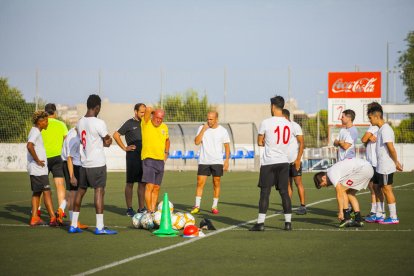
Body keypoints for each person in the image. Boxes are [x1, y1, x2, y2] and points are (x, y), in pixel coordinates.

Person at [68, 94, 117, 235]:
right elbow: (107, 141)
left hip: (84, 164)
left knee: (80, 192)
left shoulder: (80, 122)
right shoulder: (99, 123)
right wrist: (106, 142)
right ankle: (100, 227)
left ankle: (73, 224)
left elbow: (85, 140)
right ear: (97, 107)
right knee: (99, 192)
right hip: (97, 163)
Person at [250, 96, 293, 231]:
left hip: (269, 162)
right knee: (285, 193)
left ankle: (260, 223)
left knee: (265, 193)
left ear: (273, 106)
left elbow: (259, 142)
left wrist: (267, 141)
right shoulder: (289, 124)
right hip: (284, 161)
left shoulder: (266, 122)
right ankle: (288, 223)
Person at [365, 102, 403, 224]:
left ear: (376, 116)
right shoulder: (380, 129)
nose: (370, 120)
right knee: (376, 187)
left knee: (387, 190)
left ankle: (393, 216)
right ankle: (379, 214)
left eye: (370, 118)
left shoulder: (386, 129)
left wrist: (396, 162)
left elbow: (391, 148)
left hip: (386, 166)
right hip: (379, 165)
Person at [313, 158, 373, 228]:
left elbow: (340, 194)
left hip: (363, 169)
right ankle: (358, 220)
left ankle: (347, 218)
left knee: (342, 190)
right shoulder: (332, 171)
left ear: (323, 178)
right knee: (350, 194)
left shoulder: (331, 174)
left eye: (324, 184)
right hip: (368, 169)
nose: (326, 186)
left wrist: (341, 212)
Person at [190, 111, 230, 215]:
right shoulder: (202, 128)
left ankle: (214, 206)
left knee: (216, 183)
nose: (209, 121)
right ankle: (197, 206)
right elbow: (197, 142)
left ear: (216, 119)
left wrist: (226, 161)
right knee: (200, 183)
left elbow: (227, 147)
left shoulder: (223, 131)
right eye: (207, 119)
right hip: (204, 160)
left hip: (217, 161)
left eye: (211, 119)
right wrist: (203, 129)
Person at [113, 103, 147, 217]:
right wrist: (124, 148)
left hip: (144, 155)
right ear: (135, 111)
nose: (143, 114)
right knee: (130, 183)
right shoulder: (129, 123)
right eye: (141, 112)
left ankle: (142, 208)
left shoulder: (146, 122)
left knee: (142, 183)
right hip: (132, 156)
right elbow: (116, 135)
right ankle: (129, 208)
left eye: (144, 112)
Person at [27, 110, 58, 227]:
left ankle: (34, 217)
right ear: (41, 122)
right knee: (47, 192)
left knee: (36, 193)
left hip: (36, 169)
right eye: (46, 121)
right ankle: (53, 218)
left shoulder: (35, 131)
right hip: (38, 169)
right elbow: (29, 146)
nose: (47, 123)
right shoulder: (35, 132)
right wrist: (37, 160)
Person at [40, 103, 68, 224]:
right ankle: (60, 211)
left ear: (45, 113)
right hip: (57, 158)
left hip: (43, 159)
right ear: (55, 112)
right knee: (60, 185)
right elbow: (67, 140)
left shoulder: (41, 124)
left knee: (41, 186)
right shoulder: (61, 124)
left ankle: (38, 210)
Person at [141, 106, 170, 212]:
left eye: (161, 118)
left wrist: (166, 153)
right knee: (150, 186)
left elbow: (167, 140)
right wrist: (155, 111)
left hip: (160, 161)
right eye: (157, 117)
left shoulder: (164, 127)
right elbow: (148, 109)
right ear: (153, 116)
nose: (158, 120)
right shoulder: (146, 123)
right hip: (148, 159)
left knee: (157, 187)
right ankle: (149, 211)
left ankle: (153, 210)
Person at [61, 127, 88, 229]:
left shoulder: (74, 133)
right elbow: (69, 158)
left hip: (75, 165)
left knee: (74, 193)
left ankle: (71, 218)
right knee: (73, 194)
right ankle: (74, 222)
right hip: (72, 166)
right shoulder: (74, 138)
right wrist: (72, 176)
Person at [361, 102, 383, 220]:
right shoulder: (375, 127)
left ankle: (378, 211)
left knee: (376, 188)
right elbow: (364, 140)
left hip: (374, 161)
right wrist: (368, 138)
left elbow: (363, 138)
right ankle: (375, 210)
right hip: (371, 161)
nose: (368, 114)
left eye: (369, 110)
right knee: (373, 187)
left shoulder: (374, 126)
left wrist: (367, 137)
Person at [282, 109, 306, 215]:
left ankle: (302, 206)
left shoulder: (295, 126)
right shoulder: (280, 127)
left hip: (294, 161)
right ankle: (288, 207)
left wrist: (298, 160)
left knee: (298, 183)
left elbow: (301, 143)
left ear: (285, 117)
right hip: (284, 162)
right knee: (287, 184)